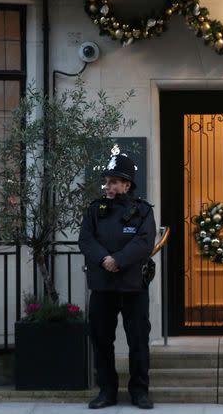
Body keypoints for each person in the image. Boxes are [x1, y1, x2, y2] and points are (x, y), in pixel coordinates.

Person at [79, 153, 156, 410]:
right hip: (103, 286)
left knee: (138, 342)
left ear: (127, 185)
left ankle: (139, 392)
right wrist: (104, 259)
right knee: (101, 340)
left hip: (133, 287)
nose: (108, 186)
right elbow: (86, 240)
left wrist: (119, 260)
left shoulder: (143, 211)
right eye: (107, 181)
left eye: (114, 181)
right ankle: (107, 391)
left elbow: (144, 242)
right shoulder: (94, 210)